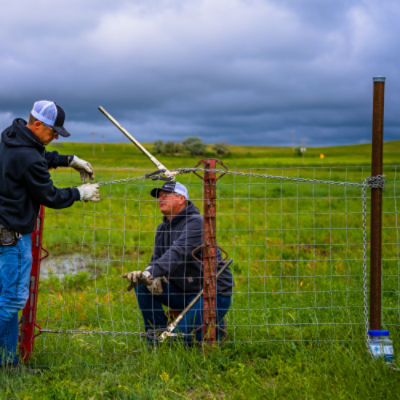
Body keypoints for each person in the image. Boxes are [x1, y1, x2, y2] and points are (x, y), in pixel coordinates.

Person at [0, 100, 100, 369]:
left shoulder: (10, 139)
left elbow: (39, 154)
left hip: (3, 229)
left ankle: (8, 364)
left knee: (5, 301)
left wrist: (69, 160)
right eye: (53, 131)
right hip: (13, 237)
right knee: (10, 303)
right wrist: (80, 193)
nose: (55, 136)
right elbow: (50, 195)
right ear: (36, 124)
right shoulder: (28, 157)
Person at [123, 181, 234, 343]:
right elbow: (157, 260)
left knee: (180, 341)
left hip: (211, 293)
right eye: (159, 197)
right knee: (142, 285)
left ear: (181, 198)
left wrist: (150, 272)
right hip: (184, 291)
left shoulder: (197, 222)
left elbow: (177, 252)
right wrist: (147, 276)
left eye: (166, 196)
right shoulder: (163, 228)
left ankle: (213, 326)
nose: (161, 199)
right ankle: (154, 336)